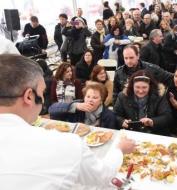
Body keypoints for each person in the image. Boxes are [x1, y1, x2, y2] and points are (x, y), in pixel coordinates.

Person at [0, 54, 135, 190]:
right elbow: (103, 176)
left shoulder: (106, 115)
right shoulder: (66, 144)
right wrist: (119, 149)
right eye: (42, 93)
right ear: (29, 96)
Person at [114, 70, 172, 135]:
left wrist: (152, 121)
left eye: (144, 87)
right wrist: (121, 121)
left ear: (150, 86)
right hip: (131, 133)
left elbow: (167, 117)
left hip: (154, 134)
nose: (140, 91)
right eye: (137, 87)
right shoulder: (122, 96)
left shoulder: (159, 96)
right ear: (132, 86)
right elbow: (115, 115)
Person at [49, 81, 117, 129]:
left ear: (101, 100)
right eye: (88, 96)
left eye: (95, 98)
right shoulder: (78, 105)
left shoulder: (109, 115)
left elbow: (111, 134)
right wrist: (75, 106)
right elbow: (51, 110)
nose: (90, 100)